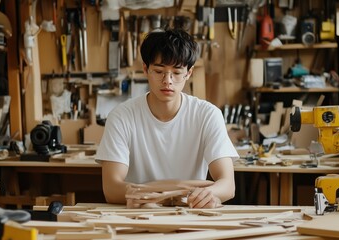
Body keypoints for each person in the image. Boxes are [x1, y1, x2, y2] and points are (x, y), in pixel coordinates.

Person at [95, 28, 239, 208]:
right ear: (146, 69)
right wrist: (172, 190)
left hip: (190, 212)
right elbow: (111, 188)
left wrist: (210, 194)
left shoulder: (207, 115)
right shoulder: (122, 116)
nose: (167, 80)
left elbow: (227, 184)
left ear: (189, 73)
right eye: (159, 71)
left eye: (177, 72)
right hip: (140, 213)